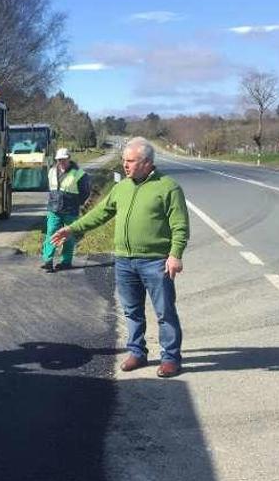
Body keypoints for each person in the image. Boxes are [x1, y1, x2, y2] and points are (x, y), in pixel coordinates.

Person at [51, 138, 190, 378]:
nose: (125, 165)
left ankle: (171, 358)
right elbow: (100, 213)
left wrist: (175, 254)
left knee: (164, 311)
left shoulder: (168, 187)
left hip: (156, 261)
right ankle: (137, 352)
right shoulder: (122, 187)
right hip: (125, 261)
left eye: (130, 161)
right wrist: (72, 228)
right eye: (124, 160)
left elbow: (180, 226)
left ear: (147, 163)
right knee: (131, 311)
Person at [40, 148, 90, 272]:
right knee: (51, 233)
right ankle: (48, 260)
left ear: (69, 158)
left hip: (70, 210)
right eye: (59, 159)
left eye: (63, 159)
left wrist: (76, 204)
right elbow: (50, 189)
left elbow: (85, 192)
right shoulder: (52, 171)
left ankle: (66, 261)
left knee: (68, 237)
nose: (61, 161)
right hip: (54, 209)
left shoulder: (79, 174)